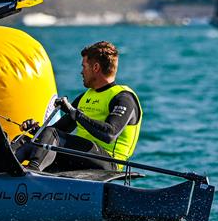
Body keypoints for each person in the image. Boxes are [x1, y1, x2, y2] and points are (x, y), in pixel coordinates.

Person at [13, 41, 142, 172]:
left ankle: (31, 172)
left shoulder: (123, 98)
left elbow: (110, 134)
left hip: (109, 162)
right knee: (26, 141)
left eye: (84, 67)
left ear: (96, 68)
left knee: (51, 135)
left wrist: (75, 113)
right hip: (82, 156)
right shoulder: (84, 97)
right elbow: (56, 131)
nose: (81, 72)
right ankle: (1, 171)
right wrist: (36, 130)